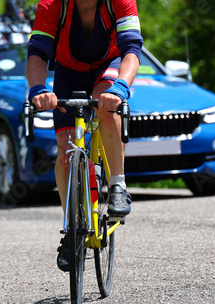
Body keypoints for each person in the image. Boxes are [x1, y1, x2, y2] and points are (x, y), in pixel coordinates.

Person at [26, 0, 143, 271]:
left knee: (105, 102)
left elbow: (132, 50)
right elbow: (38, 54)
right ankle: (71, 228)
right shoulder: (51, 5)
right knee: (66, 154)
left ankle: (118, 185)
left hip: (109, 66)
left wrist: (121, 87)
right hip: (69, 73)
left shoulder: (120, 1)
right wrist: (38, 89)